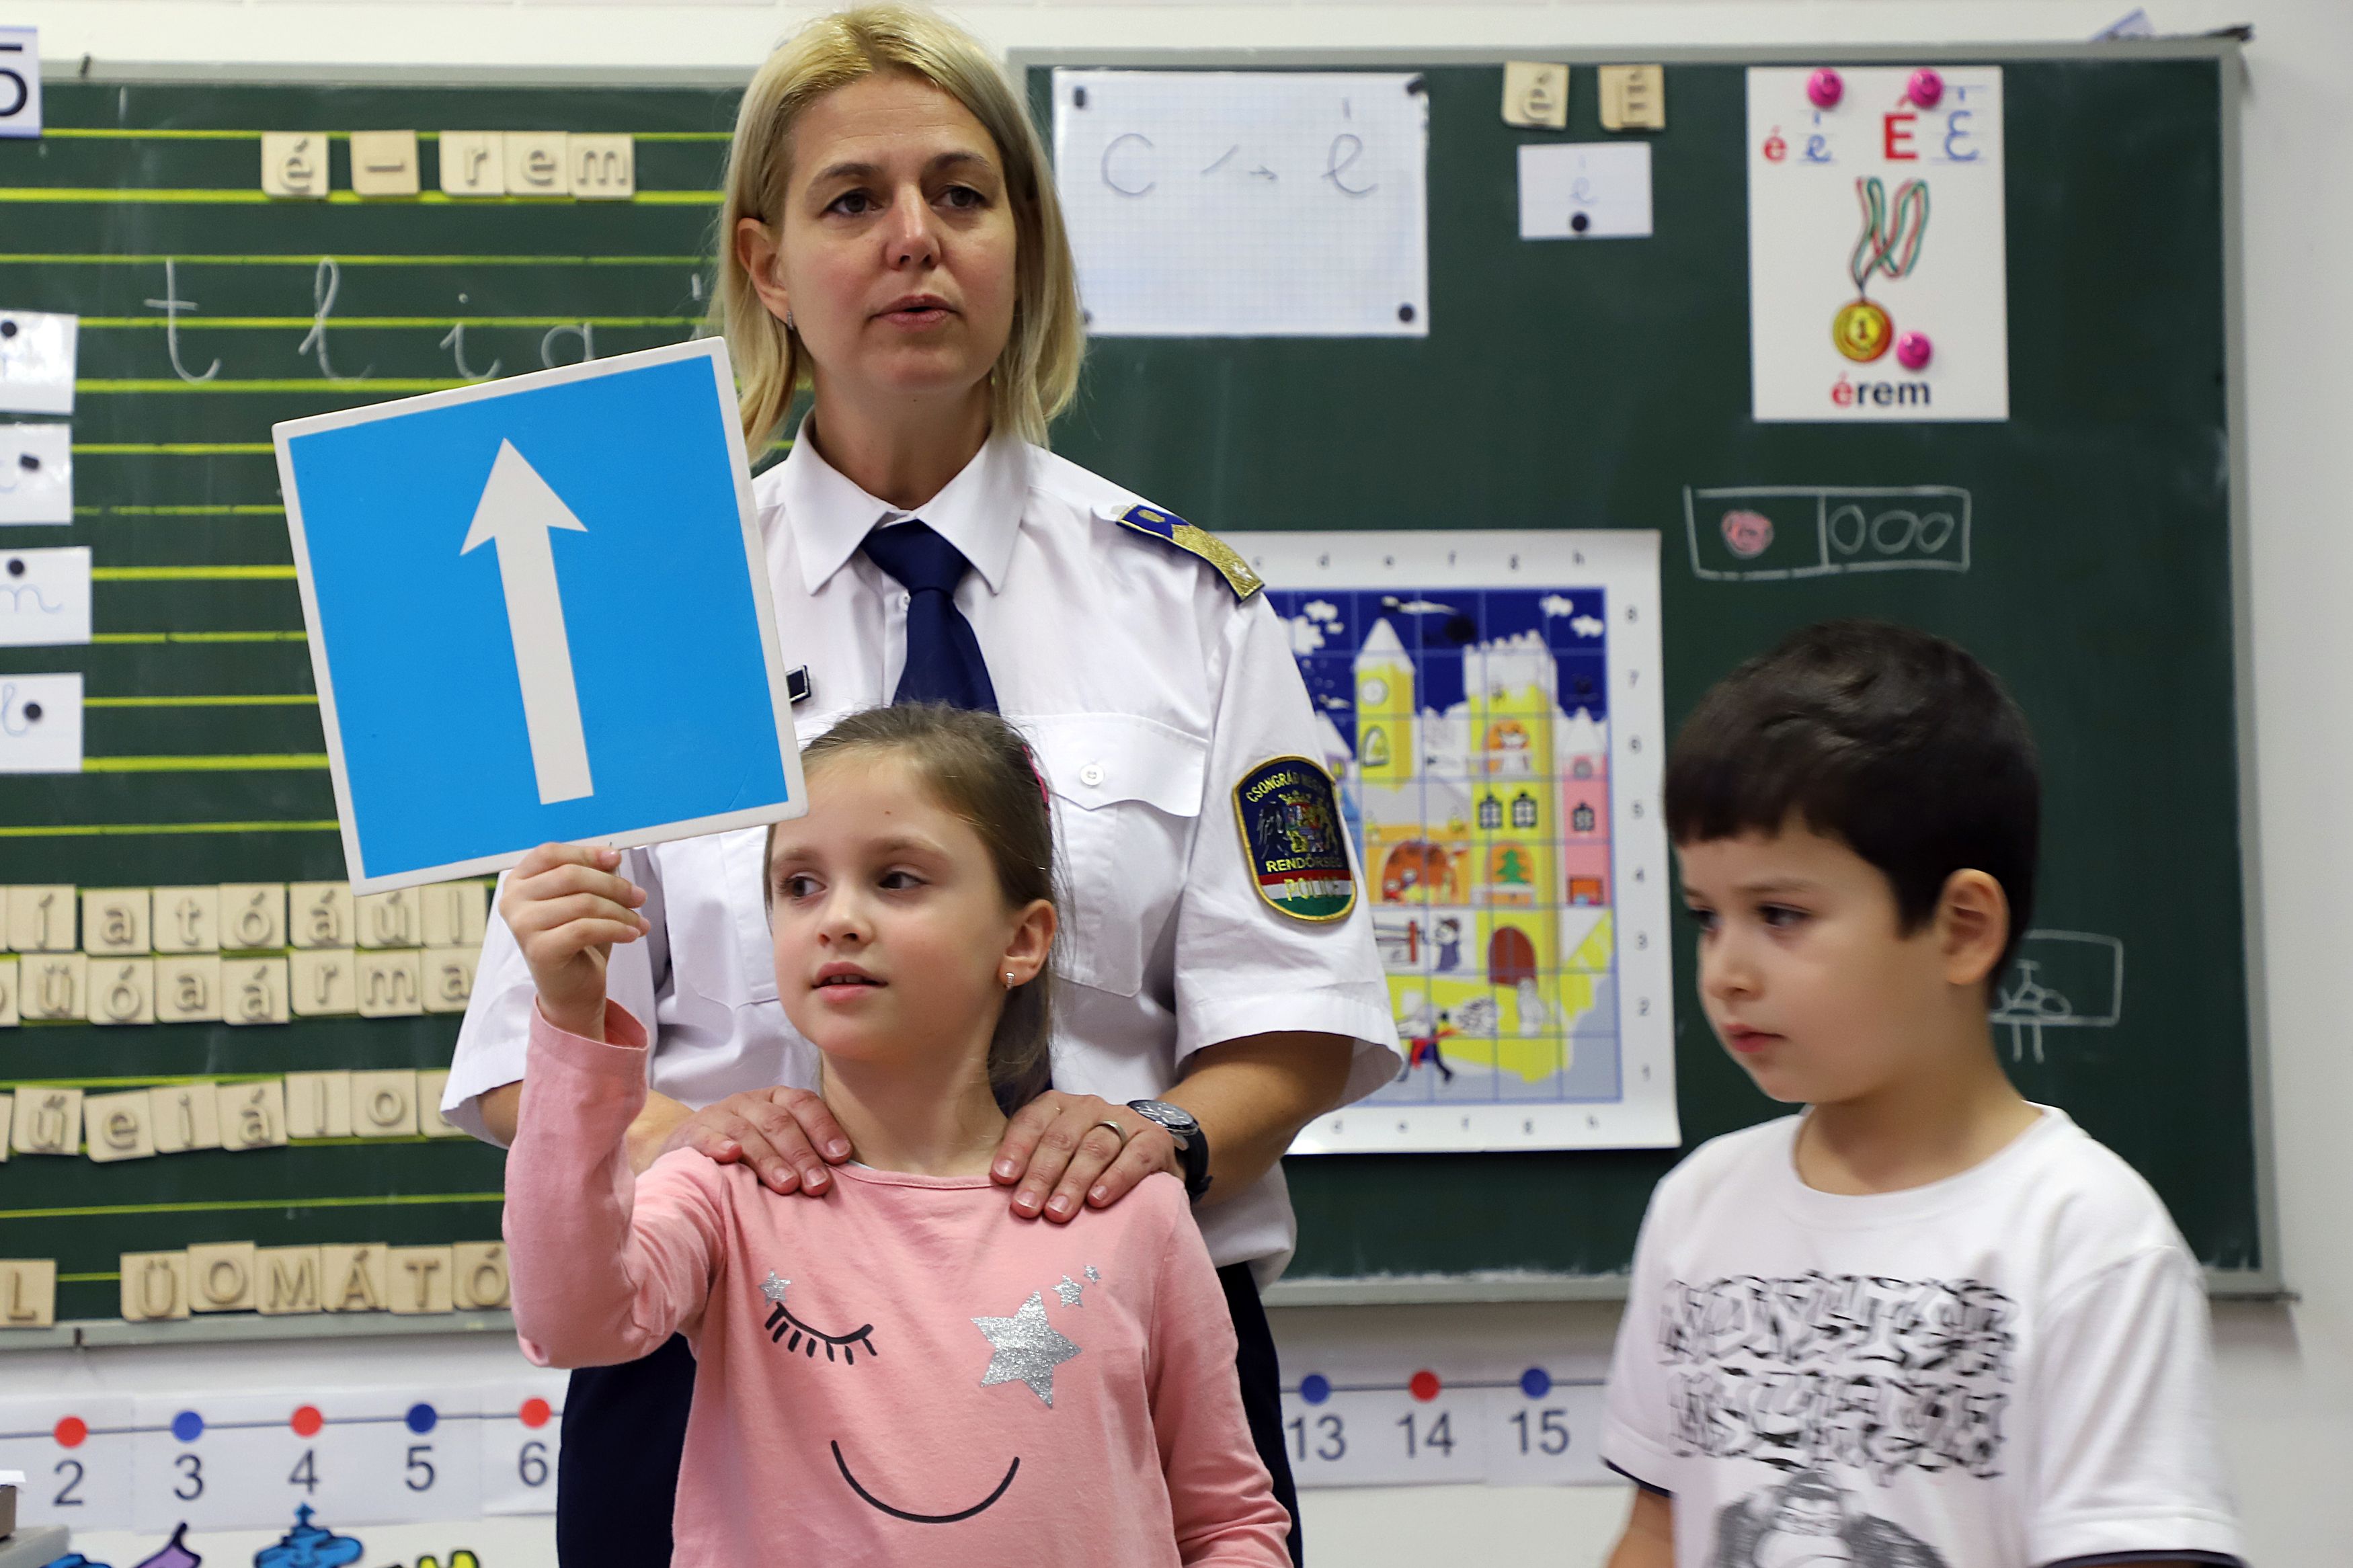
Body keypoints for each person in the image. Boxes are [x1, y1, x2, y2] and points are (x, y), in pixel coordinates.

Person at [439, 8, 1399, 1565]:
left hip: (1112, 1352)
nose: (914, 239)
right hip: (724, 1353)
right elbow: (523, 1050)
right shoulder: (646, 611)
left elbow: (1296, 1009)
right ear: (765, 265)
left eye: (961, 194)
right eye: (852, 200)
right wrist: (700, 1142)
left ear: (1025, 244)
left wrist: (1159, 1140)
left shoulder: (1189, 606)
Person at [501, 705, 1291, 1567]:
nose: (837, 917)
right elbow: (571, 1322)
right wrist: (572, 1018)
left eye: (898, 878)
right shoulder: (724, 1187)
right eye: (800, 885)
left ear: (1022, 938)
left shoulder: (1128, 1207)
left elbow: (1227, 1522)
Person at [1602, 621, 2243, 1568]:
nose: (1725, 970)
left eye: (1779, 914)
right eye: (1706, 917)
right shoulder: (1697, 1207)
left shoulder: (2086, 1237)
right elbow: (1659, 1530)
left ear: (1961, 928)